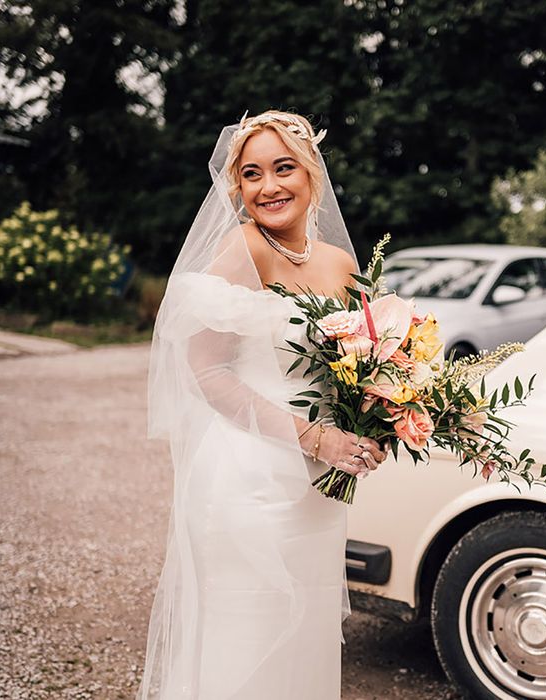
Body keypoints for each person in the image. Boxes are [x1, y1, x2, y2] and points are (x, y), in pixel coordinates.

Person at [139, 110, 388, 699]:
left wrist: (380, 417)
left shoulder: (342, 265)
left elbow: (357, 372)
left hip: (315, 491)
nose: (269, 186)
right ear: (237, 189)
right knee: (248, 637)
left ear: (312, 176)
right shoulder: (242, 249)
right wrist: (314, 437)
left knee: (305, 636)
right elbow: (207, 371)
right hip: (246, 477)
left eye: (283, 168)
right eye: (252, 174)